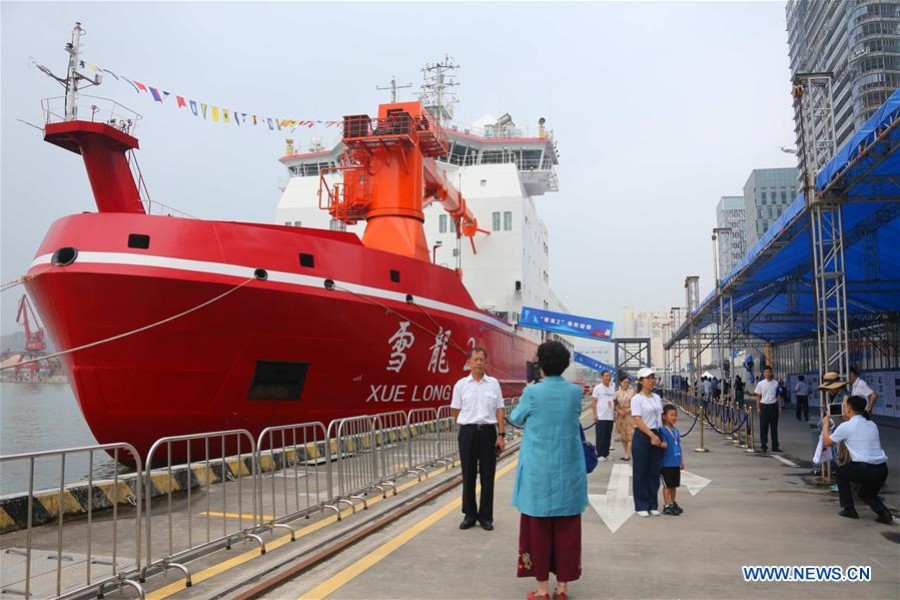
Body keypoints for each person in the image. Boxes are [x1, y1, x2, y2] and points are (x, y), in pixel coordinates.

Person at [509, 341, 588, 600]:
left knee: (539, 531)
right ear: (564, 365)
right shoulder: (575, 393)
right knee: (567, 531)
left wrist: (528, 391)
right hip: (568, 474)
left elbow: (517, 418)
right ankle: (562, 588)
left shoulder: (532, 393)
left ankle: (542, 590)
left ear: (540, 364)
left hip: (538, 475)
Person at [451, 347, 505, 531]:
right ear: (469, 362)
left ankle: (486, 517)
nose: (479, 362)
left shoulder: (493, 383)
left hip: (488, 432)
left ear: (486, 361)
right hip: (467, 432)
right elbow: (455, 410)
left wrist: (501, 435)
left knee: (488, 475)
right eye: (476, 359)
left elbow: (499, 409)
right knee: (468, 474)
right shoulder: (460, 385)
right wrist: (463, 428)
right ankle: (469, 514)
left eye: (482, 359)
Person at [821, 395, 893, 524]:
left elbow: (827, 442)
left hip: (863, 468)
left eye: (844, 406)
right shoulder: (872, 424)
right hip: (882, 469)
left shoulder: (846, 427)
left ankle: (848, 508)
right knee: (866, 494)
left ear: (849, 409)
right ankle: (883, 513)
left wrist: (826, 424)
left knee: (840, 471)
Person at [631, 367, 665, 517]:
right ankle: (641, 505)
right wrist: (651, 435)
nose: (652, 380)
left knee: (654, 471)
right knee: (641, 471)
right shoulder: (637, 399)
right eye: (648, 378)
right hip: (643, 435)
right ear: (641, 381)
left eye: (653, 377)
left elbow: (660, 418)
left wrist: (662, 436)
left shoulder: (657, 398)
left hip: (657, 435)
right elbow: (637, 419)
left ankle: (652, 503)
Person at [659, 404, 684, 516]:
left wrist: (681, 460)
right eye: (671, 415)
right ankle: (667, 505)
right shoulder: (662, 430)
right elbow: (660, 443)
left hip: (675, 462)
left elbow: (678, 445)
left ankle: (673, 502)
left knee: (674, 485)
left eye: (675, 415)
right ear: (664, 417)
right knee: (667, 485)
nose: (674, 417)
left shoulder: (676, 431)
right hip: (666, 463)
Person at [754, 366, 782, 453]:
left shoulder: (776, 383)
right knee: (764, 427)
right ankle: (763, 446)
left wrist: (779, 406)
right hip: (764, 406)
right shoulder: (760, 384)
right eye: (765, 372)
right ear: (763, 373)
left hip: (773, 406)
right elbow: (758, 396)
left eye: (768, 372)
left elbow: (778, 395)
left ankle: (775, 446)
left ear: (771, 373)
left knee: (774, 427)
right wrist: (758, 408)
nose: (767, 373)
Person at [591, 371, 616, 462]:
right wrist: (595, 414)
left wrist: (614, 414)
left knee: (607, 436)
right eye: (606, 376)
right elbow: (593, 401)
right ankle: (599, 454)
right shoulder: (598, 388)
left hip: (610, 416)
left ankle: (606, 453)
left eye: (609, 376)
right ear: (602, 377)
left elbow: (613, 402)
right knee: (600, 436)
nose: (608, 377)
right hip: (601, 416)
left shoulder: (611, 388)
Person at [614, 374, 635, 461]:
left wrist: (628, 410)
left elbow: (635, 404)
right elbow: (615, 405)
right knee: (623, 435)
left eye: (627, 382)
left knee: (630, 434)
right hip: (620, 416)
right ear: (620, 383)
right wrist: (619, 411)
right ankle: (626, 452)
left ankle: (627, 454)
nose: (626, 384)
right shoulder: (616, 393)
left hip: (629, 415)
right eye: (625, 382)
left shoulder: (632, 392)